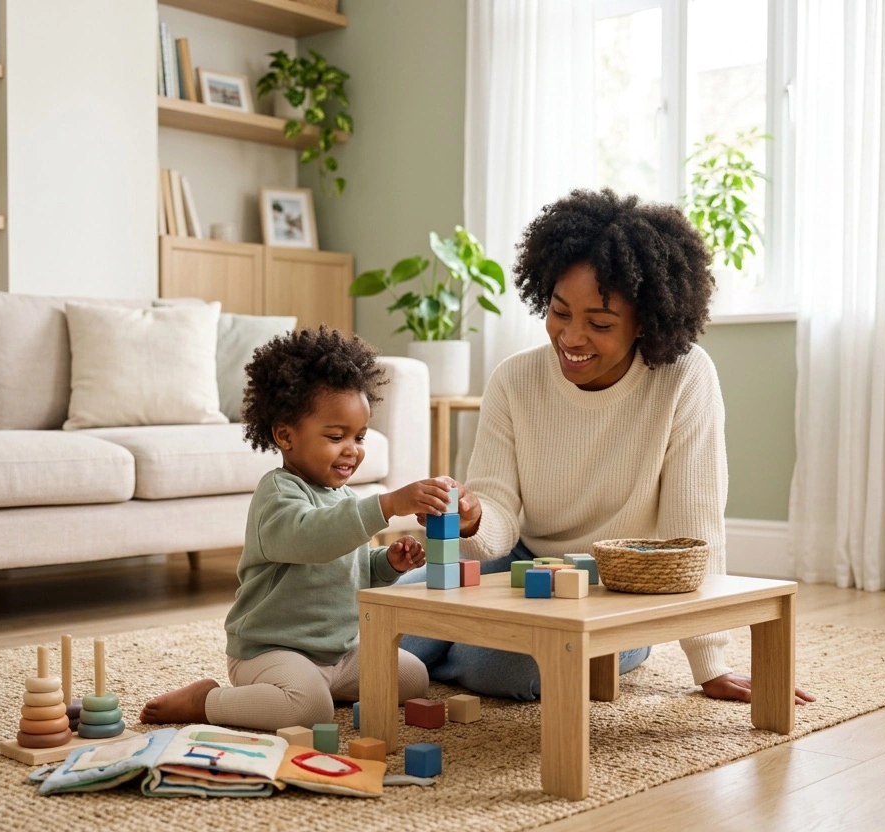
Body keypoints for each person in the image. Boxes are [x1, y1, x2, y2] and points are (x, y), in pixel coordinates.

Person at [400, 188, 815, 706]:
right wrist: (473, 517)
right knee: (399, 606)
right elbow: (500, 513)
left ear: (645, 321)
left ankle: (434, 659)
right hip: (524, 565)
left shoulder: (684, 378)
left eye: (599, 323)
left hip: (618, 587)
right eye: (558, 312)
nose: (572, 338)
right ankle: (429, 655)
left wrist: (710, 664)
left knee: (507, 668)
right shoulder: (514, 379)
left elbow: (694, 531)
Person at [141, 326, 452, 731]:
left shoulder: (342, 499)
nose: (353, 449)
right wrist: (388, 504)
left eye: (359, 437)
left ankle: (320, 688)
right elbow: (312, 539)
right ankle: (208, 702)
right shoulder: (277, 493)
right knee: (308, 712)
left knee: (413, 677)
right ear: (285, 435)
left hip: (339, 652)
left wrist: (387, 564)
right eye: (336, 436)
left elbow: (346, 567)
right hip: (272, 651)